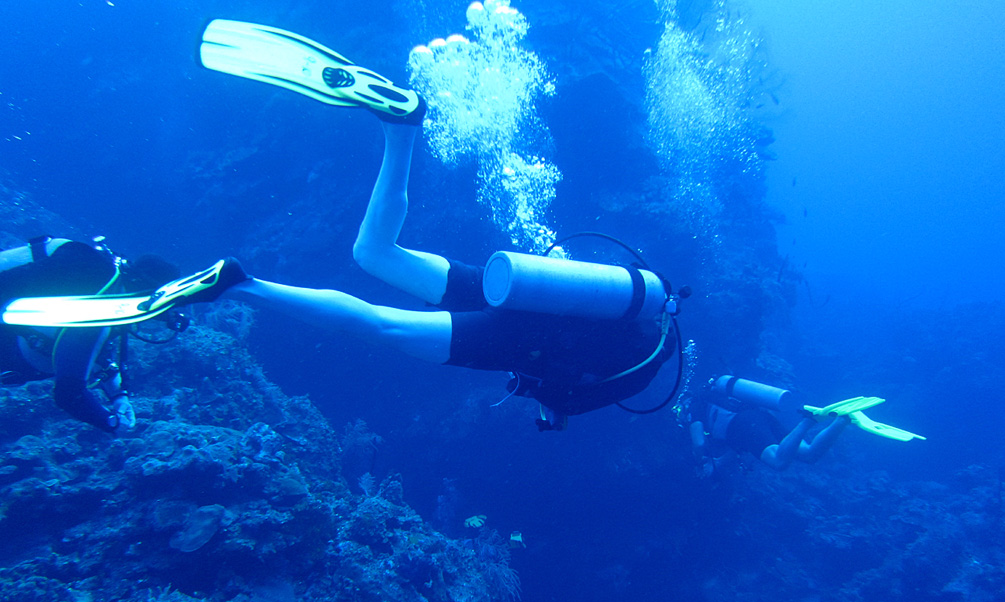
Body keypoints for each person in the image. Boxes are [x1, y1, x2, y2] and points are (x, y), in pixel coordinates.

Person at [189, 20, 680, 430]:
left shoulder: (632, 313)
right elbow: (566, 396)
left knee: (373, 252)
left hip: (505, 287)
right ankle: (240, 284)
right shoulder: (642, 371)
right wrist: (550, 406)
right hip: (517, 338)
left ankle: (400, 129)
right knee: (380, 324)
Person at [0, 236, 178, 434]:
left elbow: (94, 350)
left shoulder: (104, 286)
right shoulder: (100, 307)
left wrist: (119, 397)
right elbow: (68, 394)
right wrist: (110, 423)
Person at [681, 375, 850, 478]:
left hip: (743, 425)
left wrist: (701, 461)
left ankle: (808, 420)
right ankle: (842, 420)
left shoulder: (693, 406)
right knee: (808, 454)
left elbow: (699, 443)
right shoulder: (715, 398)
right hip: (759, 417)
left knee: (778, 461)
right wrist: (717, 463)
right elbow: (736, 446)